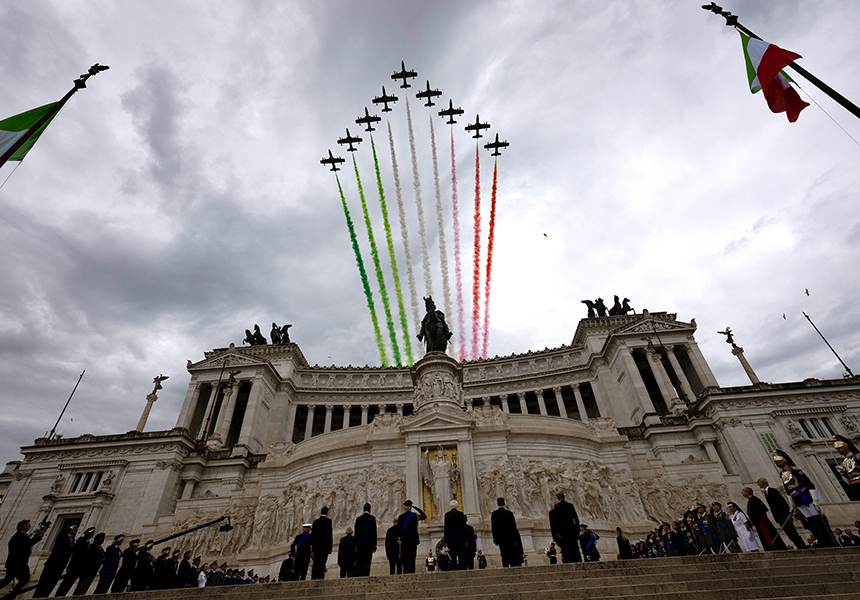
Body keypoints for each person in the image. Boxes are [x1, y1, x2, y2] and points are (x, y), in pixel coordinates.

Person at [773, 450, 834, 547]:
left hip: (805, 496)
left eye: (778, 461)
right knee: (810, 522)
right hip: (797, 500)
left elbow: (809, 484)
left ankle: (830, 541)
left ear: (784, 460)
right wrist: (792, 506)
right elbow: (788, 490)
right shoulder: (782, 474)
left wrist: (815, 499)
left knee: (818, 520)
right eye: (775, 461)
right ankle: (822, 541)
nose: (776, 463)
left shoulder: (795, 470)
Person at [0, 519, 45, 599]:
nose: (30, 526)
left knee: (13, 579)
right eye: (28, 524)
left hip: (17, 563)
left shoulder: (22, 535)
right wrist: (40, 536)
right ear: (24, 526)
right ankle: (11, 595)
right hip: (17, 563)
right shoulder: (20, 536)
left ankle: (11, 595)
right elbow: (28, 544)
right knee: (13, 580)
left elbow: (27, 544)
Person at [757, 477, 806, 549]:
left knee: (792, 532)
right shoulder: (766, 493)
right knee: (789, 533)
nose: (758, 484)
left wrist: (788, 514)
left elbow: (783, 503)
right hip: (778, 517)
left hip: (783, 516)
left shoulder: (773, 491)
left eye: (759, 482)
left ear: (763, 483)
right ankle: (799, 545)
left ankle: (802, 546)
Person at [34, 523, 78, 598]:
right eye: (74, 528)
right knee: (44, 582)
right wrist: (70, 528)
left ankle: (45, 596)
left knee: (52, 583)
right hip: (53, 562)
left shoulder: (72, 539)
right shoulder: (63, 535)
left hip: (61, 564)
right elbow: (62, 535)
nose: (75, 530)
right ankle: (37, 597)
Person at [56, 527, 96, 596]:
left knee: (70, 583)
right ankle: (59, 595)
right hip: (74, 566)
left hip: (80, 567)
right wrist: (88, 533)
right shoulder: (81, 540)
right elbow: (82, 541)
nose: (92, 535)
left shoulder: (88, 543)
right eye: (92, 533)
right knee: (66, 583)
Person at [549, 492, 581, 563]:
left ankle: (571, 561)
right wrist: (578, 530)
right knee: (575, 546)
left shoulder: (557, 507)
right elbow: (576, 518)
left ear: (558, 498)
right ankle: (578, 560)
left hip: (564, 531)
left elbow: (556, 520)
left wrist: (557, 532)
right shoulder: (570, 505)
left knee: (568, 547)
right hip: (572, 529)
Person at [396, 500, 426, 574]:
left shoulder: (401, 517)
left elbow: (399, 530)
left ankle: (406, 572)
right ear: (410, 507)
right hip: (413, 541)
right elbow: (424, 516)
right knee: (412, 558)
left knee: (405, 558)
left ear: (404, 508)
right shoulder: (415, 516)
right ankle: (412, 572)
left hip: (404, 541)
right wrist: (417, 509)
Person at [491, 497, 522, 568]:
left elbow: (494, 528)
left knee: (503, 554)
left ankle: (505, 567)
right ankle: (513, 567)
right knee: (511, 553)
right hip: (510, 538)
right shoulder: (509, 513)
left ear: (497, 504)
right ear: (504, 504)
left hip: (501, 538)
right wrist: (515, 540)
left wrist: (495, 540)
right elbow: (514, 527)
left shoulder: (494, 514)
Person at [354, 503, 377, 577]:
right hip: (369, 543)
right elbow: (374, 532)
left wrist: (356, 544)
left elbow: (356, 533)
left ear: (363, 509)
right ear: (370, 509)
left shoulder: (358, 519)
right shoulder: (372, 518)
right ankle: (366, 575)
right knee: (367, 561)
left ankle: (359, 575)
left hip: (360, 544)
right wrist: (375, 543)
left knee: (360, 561)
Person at [443, 500, 468, 570]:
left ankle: (454, 569)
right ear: (457, 506)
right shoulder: (461, 514)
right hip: (460, 538)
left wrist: (446, 540)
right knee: (461, 555)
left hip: (451, 539)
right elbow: (464, 528)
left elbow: (446, 529)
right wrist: (466, 540)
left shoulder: (447, 515)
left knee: (453, 555)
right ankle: (462, 568)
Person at [311, 507, 333, 580]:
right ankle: (320, 577)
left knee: (316, 562)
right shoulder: (328, 521)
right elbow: (329, 534)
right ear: (327, 512)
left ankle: (313, 577)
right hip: (325, 546)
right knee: (322, 562)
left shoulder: (315, 522)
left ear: (320, 512)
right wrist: (330, 547)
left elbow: (313, 535)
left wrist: (313, 547)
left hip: (316, 546)